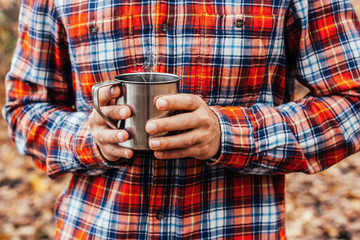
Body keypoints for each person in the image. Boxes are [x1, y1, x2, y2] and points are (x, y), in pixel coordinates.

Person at [3, 0, 360, 238]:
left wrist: (228, 134)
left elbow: (352, 101)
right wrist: (87, 136)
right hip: (97, 227)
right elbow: (25, 108)